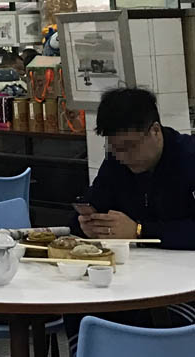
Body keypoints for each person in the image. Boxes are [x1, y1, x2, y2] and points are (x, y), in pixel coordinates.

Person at [64, 88, 195, 351]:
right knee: (80, 310)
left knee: (157, 322)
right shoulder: (117, 163)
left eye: (129, 147)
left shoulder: (188, 159)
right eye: (115, 149)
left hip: (183, 287)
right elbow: (91, 206)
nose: (123, 157)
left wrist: (138, 230)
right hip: (131, 280)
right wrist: (87, 224)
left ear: (155, 131)